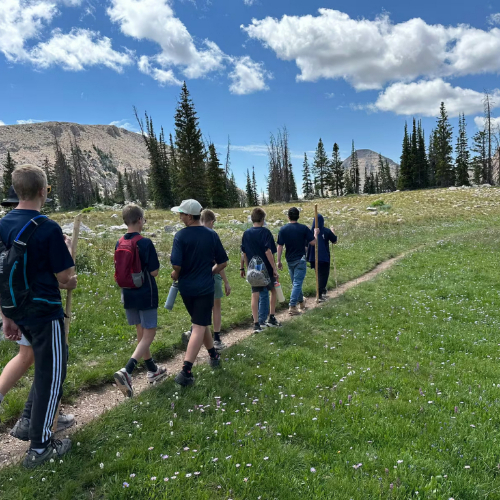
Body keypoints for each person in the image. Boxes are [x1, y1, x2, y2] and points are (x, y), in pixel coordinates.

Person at [0, 165, 76, 468]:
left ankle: (29, 421)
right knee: (51, 373)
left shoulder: (3, 224)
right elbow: (64, 277)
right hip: (44, 310)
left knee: (43, 367)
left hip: (16, 309)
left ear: (17, 191)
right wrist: (68, 255)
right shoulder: (48, 227)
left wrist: (6, 313)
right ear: (43, 191)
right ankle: (41, 446)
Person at [170, 199, 228, 387]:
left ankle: (211, 356)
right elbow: (223, 262)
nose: (179, 217)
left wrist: (175, 273)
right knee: (199, 325)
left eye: (181, 214)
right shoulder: (211, 235)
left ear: (189, 216)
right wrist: (211, 271)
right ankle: (186, 372)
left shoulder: (180, 236)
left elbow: (176, 264)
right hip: (204, 287)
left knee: (199, 324)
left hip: (186, 288)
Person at [113, 204, 166, 398]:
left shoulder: (119, 242)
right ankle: (127, 370)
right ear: (140, 220)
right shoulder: (144, 242)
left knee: (140, 331)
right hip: (146, 292)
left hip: (127, 293)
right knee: (149, 332)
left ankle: (152, 369)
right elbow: (154, 271)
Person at [240, 207, 282, 333]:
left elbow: (244, 253)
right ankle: (271, 317)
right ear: (263, 219)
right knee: (273, 290)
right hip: (266, 268)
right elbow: (268, 251)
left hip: (253, 269)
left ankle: (256, 323)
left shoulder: (246, 234)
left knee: (255, 294)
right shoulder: (265, 232)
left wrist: (244, 268)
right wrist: (274, 268)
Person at [277, 207, 318, 315]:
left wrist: (278, 261)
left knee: (295, 283)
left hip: (289, 259)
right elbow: (313, 242)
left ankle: (301, 302)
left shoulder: (283, 229)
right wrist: (315, 234)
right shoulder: (303, 228)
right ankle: (292, 306)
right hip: (300, 259)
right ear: (298, 216)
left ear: (288, 216)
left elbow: (280, 246)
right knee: (297, 283)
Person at [200, 209, 231, 350]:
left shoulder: (192, 234)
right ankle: (217, 338)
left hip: (196, 277)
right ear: (211, 222)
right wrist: (226, 281)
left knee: (201, 308)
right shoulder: (212, 235)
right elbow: (221, 262)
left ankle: (196, 333)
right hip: (213, 274)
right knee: (215, 307)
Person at [307, 214, 338, 302]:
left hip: (313, 257)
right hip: (324, 257)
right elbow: (335, 240)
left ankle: (322, 291)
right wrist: (333, 232)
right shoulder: (326, 231)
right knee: (324, 275)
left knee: (318, 274)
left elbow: (307, 244)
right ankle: (320, 294)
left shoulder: (310, 232)